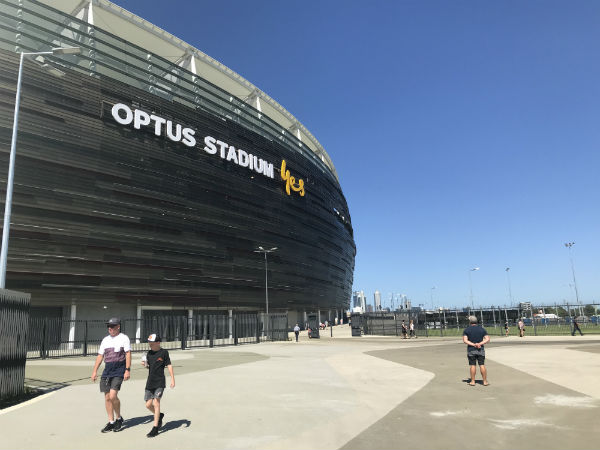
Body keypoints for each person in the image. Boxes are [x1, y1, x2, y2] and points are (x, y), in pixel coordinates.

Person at [91, 317, 131, 433]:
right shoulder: (105, 340)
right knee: (107, 397)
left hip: (119, 370)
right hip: (107, 371)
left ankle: (118, 418)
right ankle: (111, 422)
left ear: (118, 326)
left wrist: (127, 370)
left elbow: (128, 354)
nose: (110, 328)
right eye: (108, 326)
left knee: (113, 396)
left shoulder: (124, 338)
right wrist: (94, 371)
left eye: (112, 326)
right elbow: (100, 356)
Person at [142, 333, 175, 438]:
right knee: (148, 405)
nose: (150, 344)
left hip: (159, 382)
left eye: (151, 342)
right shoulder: (149, 353)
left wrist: (172, 379)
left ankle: (155, 428)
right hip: (150, 382)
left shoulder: (164, 353)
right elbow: (150, 367)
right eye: (149, 342)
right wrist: (145, 365)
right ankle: (159, 415)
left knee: (156, 402)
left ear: (158, 342)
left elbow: (169, 365)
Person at [462, 315, 490, 386]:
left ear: (470, 322)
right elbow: (487, 339)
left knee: (472, 365)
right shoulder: (482, 329)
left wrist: (473, 344)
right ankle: (485, 381)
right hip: (480, 349)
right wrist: (479, 343)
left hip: (471, 349)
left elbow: (465, 340)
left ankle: (473, 381)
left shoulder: (467, 330)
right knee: (482, 364)